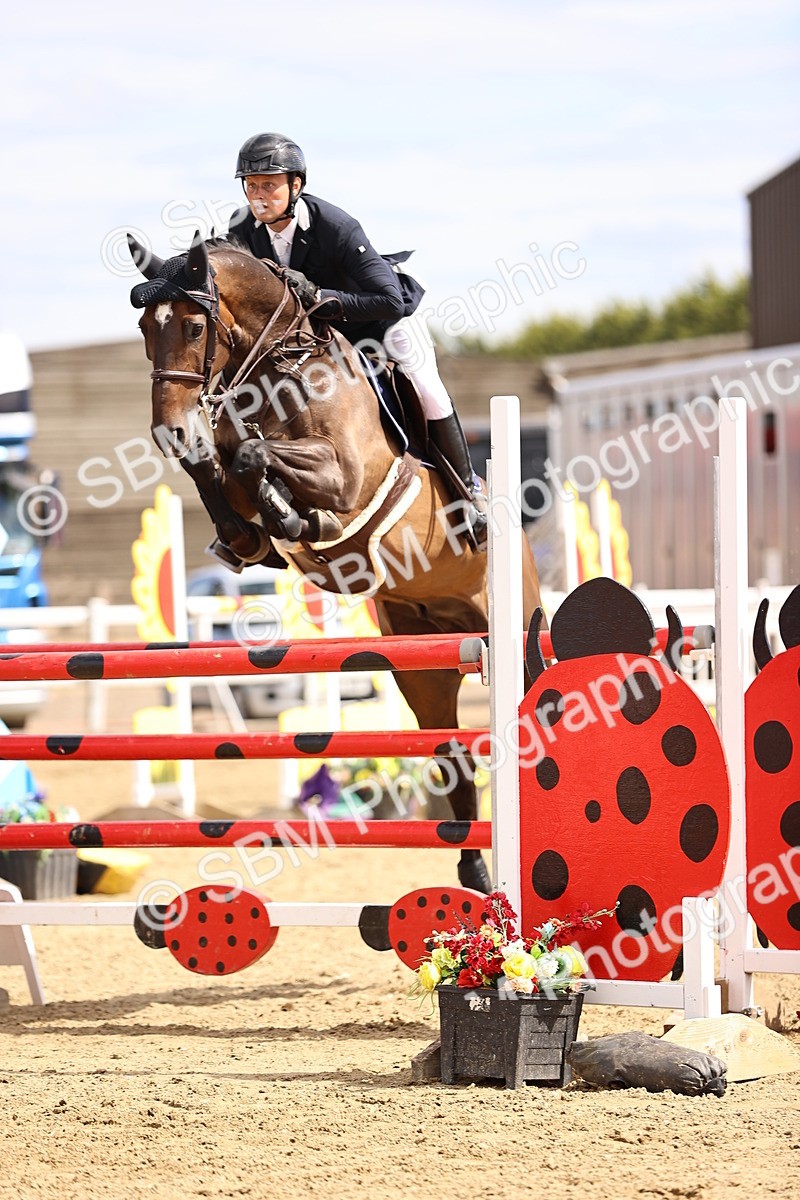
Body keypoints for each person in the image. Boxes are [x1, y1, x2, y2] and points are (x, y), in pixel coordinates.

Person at [226, 132, 487, 545]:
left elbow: (389, 300)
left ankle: (469, 493)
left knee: (427, 388)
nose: (258, 195)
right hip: (322, 336)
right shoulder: (243, 227)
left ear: (296, 185)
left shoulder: (336, 227)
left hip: (381, 322)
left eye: (269, 185)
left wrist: (318, 295)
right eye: (251, 185)